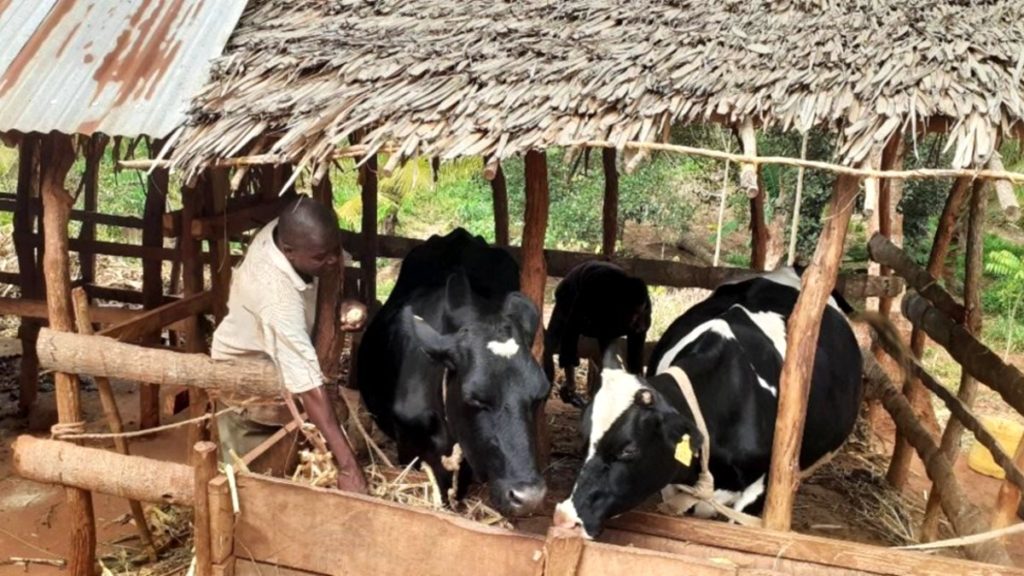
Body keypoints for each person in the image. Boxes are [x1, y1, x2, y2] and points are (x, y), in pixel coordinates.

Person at [211, 197, 368, 493]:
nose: (334, 260)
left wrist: (342, 302)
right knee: (252, 490)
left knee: (296, 472)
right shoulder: (274, 294)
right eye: (322, 257)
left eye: (335, 250)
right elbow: (308, 385)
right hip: (249, 390)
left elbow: (332, 269)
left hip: (289, 367)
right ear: (289, 252)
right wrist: (349, 467)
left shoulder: (297, 236)